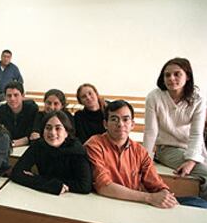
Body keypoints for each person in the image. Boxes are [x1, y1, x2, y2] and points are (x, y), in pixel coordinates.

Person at [85, 100, 178, 208]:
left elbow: (156, 184)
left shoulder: (139, 150)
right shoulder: (94, 145)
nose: (120, 124)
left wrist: (164, 193)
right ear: (105, 124)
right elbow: (104, 186)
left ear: (132, 124)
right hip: (105, 205)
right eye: (114, 119)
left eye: (125, 119)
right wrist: (149, 197)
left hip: (134, 205)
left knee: (197, 202)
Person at [143, 58, 207, 200]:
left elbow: (197, 133)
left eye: (177, 74)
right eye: (167, 75)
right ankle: (201, 209)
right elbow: (150, 132)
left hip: (193, 147)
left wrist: (191, 161)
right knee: (206, 173)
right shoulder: (154, 97)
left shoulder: (198, 98)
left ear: (187, 76)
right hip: (167, 148)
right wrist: (144, 160)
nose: (171, 78)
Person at [11, 111, 92, 195]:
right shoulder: (38, 145)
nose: (52, 133)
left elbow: (84, 186)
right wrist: (52, 185)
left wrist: (36, 178)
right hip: (45, 196)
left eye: (58, 128)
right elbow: (16, 173)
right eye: (48, 128)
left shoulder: (77, 151)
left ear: (66, 132)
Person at [0, 81, 38, 147]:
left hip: (27, 147)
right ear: (5, 97)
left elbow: (33, 135)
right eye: (9, 96)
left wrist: (12, 143)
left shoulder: (32, 109)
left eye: (16, 95)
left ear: (23, 96)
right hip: (8, 146)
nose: (12, 99)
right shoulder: (2, 110)